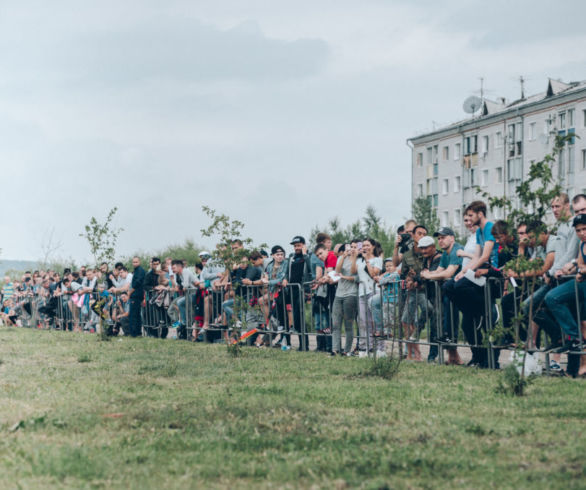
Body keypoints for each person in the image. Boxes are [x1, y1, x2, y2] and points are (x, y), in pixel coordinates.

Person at [448, 201, 498, 368]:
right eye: (466, 216)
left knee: (460, 286)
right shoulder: (478, 233)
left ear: (480, 214)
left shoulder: (489, 227)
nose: (468, 219)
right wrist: (462, 273)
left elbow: (484, 257)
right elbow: (476, 257)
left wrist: (466, 274)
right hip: (478, 272)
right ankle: (478, 356)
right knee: (449, 286)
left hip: (491, 273)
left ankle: (483, 309)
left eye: (471, 215)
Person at [421, 227, 464, 365]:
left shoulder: (457, 250)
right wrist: (428, 275)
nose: (440, 240)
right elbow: (439, 270)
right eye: (438, 238)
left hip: (466, 290)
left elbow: (448, 273)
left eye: (443, 237)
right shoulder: (446, 253)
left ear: (452, 237)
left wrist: (428, 275)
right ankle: (454, 357)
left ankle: (480, 359)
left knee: (459, 324)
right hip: (453, 291)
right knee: (448, 324)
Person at [352, 238, 383, 356]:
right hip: (362, 293)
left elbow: (373, 274)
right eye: (363, 245)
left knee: (375, 321)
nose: (365, 247)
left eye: (368, 245)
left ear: (373, 246)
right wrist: (355, 256)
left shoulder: (377, 260)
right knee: (364, 321)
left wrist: (367, 261)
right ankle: (366, 347)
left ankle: (379, 348)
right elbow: (353, 271)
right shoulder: (360, 261)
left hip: (373, 291)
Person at [286, 236, 313, 351]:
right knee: (295, 320)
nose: (297, 248)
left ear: (303, 245)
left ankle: (305, 345)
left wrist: (305, 254)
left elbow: (311, 269)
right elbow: (288, 271)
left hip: (302, 289)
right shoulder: (292, 257)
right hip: (292, 289)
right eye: (295, 246)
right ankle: (301, 344)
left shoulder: (308, 256)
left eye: (299, 245)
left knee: (300, 317)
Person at [331, 243, 358, 356]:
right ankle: (335, 349)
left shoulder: (358, 260)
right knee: (336, 323)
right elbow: (337, 271)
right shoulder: (342, 258)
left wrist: (354, 257)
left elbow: (353, 273)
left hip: (351, 294)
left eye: (354, 247)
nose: (351, 249)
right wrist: (343, 256)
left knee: (348, 324)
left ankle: (346, 350)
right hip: (339, 294)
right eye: (350, 247)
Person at [128, 257, 145, 337]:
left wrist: (130, 292)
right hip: (136, 295)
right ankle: (137, 332)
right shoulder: (136, 271)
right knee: (136, 314)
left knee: (134, 315)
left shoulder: (140, 271)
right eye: (133, 262)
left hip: (136, 295)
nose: (135, 263)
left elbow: (137, 283)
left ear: (139, 262)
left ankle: (134, 333)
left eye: (136, 262)